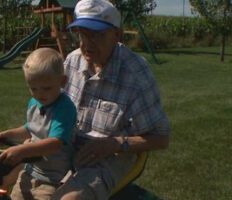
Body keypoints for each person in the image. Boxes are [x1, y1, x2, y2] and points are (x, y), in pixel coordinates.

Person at [51, 0, 171, 199]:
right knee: (17, 173)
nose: (86, 44)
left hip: (109, 157)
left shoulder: (135, 74)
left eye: (96, 35)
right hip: (68, 147)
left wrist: (115, 144)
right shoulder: (72, 61)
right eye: (82, 33)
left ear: (117, 35)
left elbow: (161, 138)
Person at [0, 47, 77, 200]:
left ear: (62, 81)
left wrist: (22, 150)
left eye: (46, 88)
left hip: (52, 178)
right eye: (34, 88)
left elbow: (54, 143)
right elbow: (29, 128)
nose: (40, 94)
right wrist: (7, 134)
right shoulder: (35, 102)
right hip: (29, 171)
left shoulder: (64, 108)